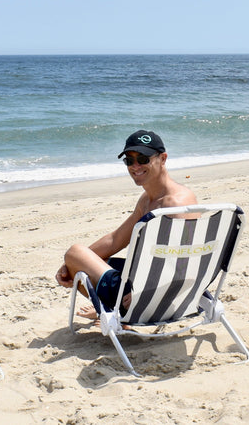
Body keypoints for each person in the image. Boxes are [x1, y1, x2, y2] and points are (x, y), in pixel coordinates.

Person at [55, 130, 197, 315]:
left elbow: (183, 261)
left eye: (143, 159)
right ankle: (108, 309)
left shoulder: (174, 203)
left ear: (163, 158)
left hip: (154, 296)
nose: (135, 166)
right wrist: (71, 264)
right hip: (147, 281)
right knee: (88, 257)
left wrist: (144, 293)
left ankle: (112, 312)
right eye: (129, 161)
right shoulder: (148, 199)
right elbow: (116, 239)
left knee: (75, 251)